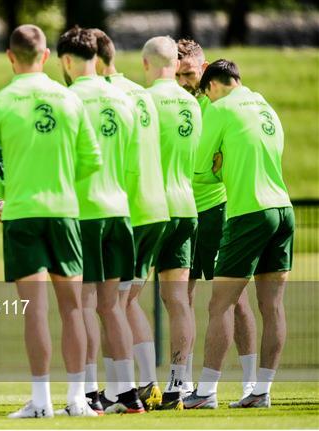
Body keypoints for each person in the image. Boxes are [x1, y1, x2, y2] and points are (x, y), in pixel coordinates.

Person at [0, 24, 102, 418]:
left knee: (35, 309)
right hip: (64, 213)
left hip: (23, 216)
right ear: (46, 56)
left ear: (11, 57)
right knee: (74, 309)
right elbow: (92, 160)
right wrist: (62, 182)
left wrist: (10, 191)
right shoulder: (69, 99)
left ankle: (42, 401)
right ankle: (78, 399)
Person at [183, 59, 294, 409]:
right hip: (283, 210)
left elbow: (200, 169)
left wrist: (218, 168)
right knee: (271, 305)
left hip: (249, 212)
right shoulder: (264, 106)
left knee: (221, 303)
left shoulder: (220, 108)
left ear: (212, 86)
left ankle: (206, 392)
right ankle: (261, 391)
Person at [57, 26, 144, 415]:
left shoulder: (68, 99)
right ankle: (127, 395)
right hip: (119, 210)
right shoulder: (124, 99)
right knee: (113, 307)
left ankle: (89, 393)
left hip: (86, 213)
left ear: (66, 60)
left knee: (84, 305)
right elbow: (133, 165)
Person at [90, 28, 169, 411]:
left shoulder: (104, 96)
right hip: (158, 206)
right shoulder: (141, 93)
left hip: (129, 210)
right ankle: (145, 384)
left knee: (109, 304)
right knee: (128, 303)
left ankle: (118, 390)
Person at [176, 39, 258, 402]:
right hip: (180, 210)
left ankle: (251, 383)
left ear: (205, 68)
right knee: (182, 296)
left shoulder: (220, 103)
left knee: (235, 298)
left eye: (190, 73)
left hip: (215, 211)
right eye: (177, 74)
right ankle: (182, 382)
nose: (183, 81)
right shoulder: (174, 102)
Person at [142, 36, 202, 410]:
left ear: (148, 64)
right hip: (187, 206)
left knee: (123, 299)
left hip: (152, 208)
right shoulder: (194, 105)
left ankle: (142, 385)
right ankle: (179, 385)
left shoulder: (144, 99)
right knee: (178, 301)